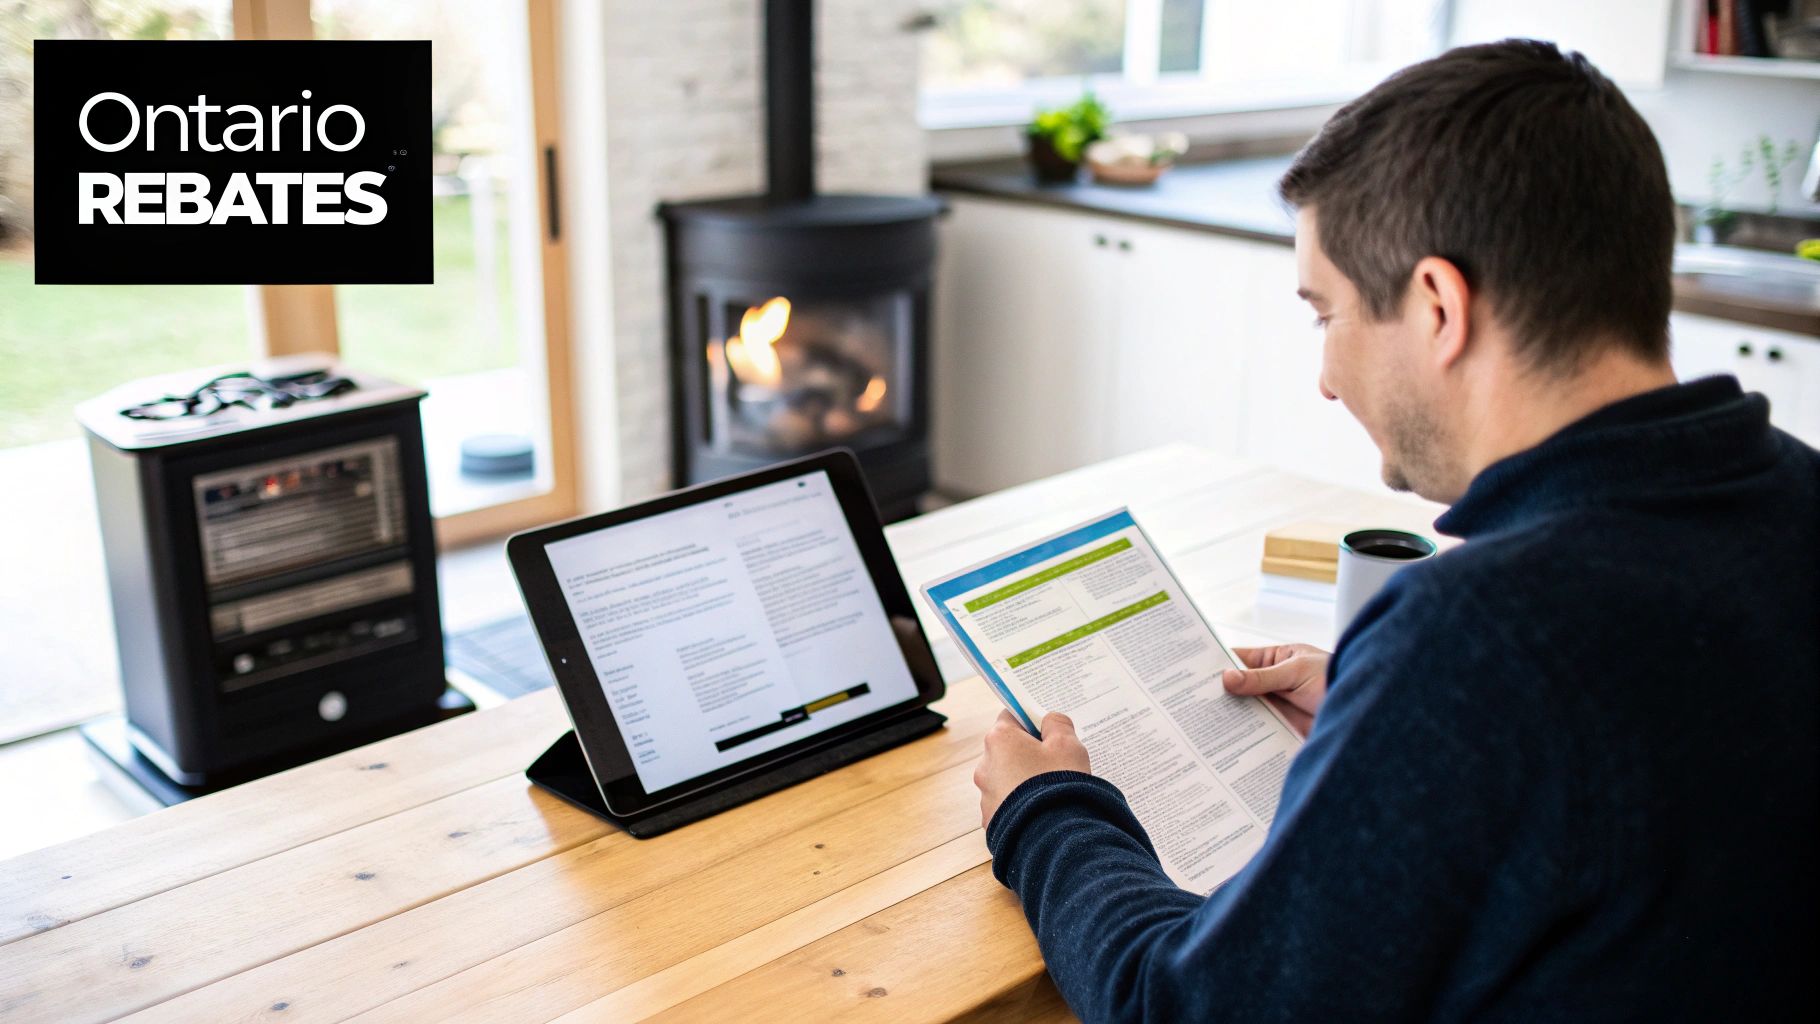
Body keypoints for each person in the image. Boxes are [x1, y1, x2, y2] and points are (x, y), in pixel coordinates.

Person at [970, 39, 1818, 1022]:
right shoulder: (1790, 495)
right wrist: (1385, 718)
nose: (1325, 379)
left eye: (1324, 314)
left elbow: (1191, 1009)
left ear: (1435, 308)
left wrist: (1046, 813)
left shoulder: (1477, 636)